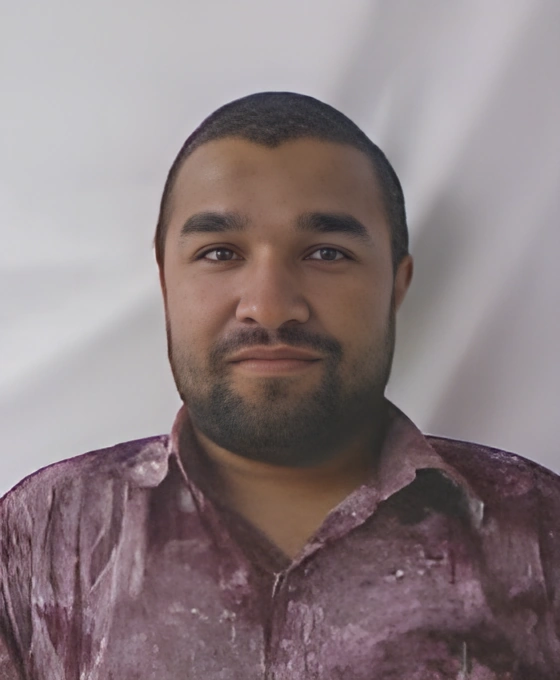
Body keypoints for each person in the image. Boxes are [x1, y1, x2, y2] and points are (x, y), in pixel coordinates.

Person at [1, 91, 559, 680]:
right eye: (220, 252)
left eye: (327, 253)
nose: (268, 307)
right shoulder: (42, 535)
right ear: (165, 282)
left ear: (397, 285)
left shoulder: (541, 533)